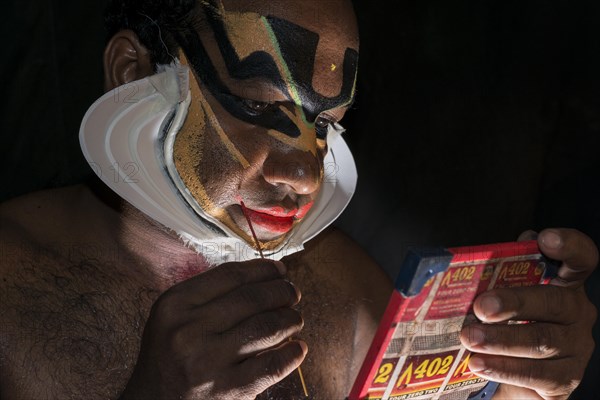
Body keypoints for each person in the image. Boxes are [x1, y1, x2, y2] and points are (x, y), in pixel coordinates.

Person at [0, 0, 597, 399]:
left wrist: (519, 377)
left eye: (327, 125)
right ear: (133, 73)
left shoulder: (346, 290)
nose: (305, 174)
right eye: (260, 108)